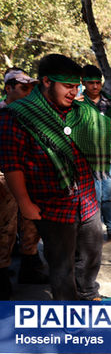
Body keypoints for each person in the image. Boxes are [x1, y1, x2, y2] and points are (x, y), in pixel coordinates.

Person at [0, 54, 111, 300]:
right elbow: (12, 165)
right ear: (46, 82)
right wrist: (25, 204)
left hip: (86, 200)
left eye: (76, 86)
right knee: (61, 264)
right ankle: (68, 312)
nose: (74, 91)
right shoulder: (16, 116)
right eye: (68, 86)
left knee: (90, 255)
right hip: (52, 205)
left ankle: (89, 294)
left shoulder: (81, 111)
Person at [0, 69, 47, 300]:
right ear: (8, 88)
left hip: (29, 174)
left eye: (31, 88)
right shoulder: (2, 113)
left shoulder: (31, 114)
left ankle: (30, 265)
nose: (29, 92)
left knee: (31, 224)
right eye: (24, 88)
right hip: (4, 176)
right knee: (5, 227)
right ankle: (2, 276)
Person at [80, 65, 111, 242]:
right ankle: (92, 233)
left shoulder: (109, 101)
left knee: (109, 195)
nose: (95, 86)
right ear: (83, 83)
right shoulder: (78, 102)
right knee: (91, 196)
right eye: (90, 83)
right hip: (87, 158)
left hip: (109, 155)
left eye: (97, 82)